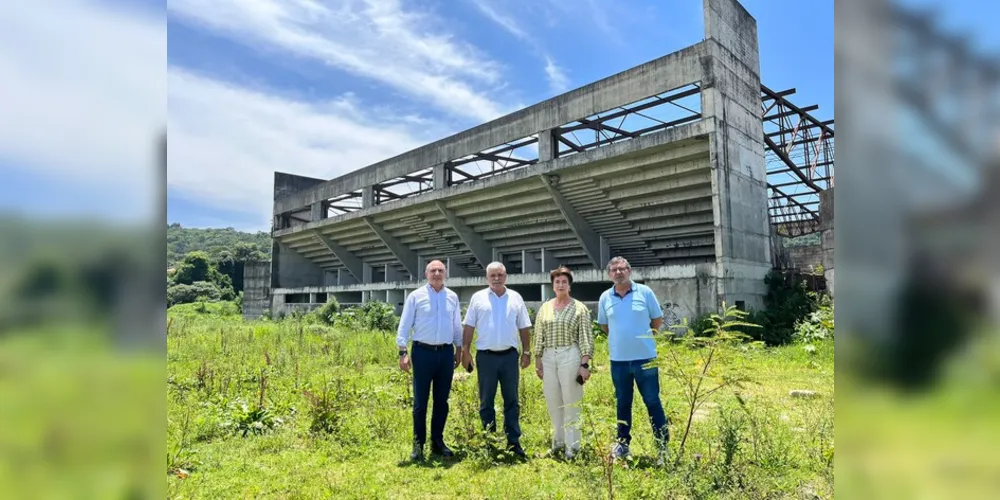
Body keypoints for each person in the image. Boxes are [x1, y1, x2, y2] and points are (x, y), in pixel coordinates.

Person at [597, 256, 669, 463]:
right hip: (618, 361)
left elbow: (657, 319)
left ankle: (662, 448)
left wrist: (645, 339)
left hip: (645, 359)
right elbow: (604, 325)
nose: (618, 272)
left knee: (653, 401)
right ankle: (622, 445)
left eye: (622, 269)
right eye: (614, 270)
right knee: (623, 403)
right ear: (609, 274)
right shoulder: (605, 297)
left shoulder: (644, 293)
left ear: (629, 271)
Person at [461, 261, 532, 459]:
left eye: (500, 274)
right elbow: (468, 326)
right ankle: (489, 441)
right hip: (486, 357)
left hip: (509, 357)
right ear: (487, 277)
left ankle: (513, 442)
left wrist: (527, 352)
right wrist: (465, 351)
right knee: (486, 401)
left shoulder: (515, 298)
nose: (496, 278)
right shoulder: (478, 298)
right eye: (492, 275)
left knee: (512, 400)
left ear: (506, 276)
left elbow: (524, 326)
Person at [396, 259, 463, 461]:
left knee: (441, 401)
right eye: (433, 270)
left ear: (445, 274)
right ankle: (418, 445)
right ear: (426, 274)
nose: (436, 273)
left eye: (440, 270)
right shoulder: (416, 296)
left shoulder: (452, 297)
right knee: (420, 402)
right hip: (422, 353)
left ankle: (437, 442)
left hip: (445, 353)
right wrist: (402, 351)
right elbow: (405, 324)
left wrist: (459, 349)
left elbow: (457, 325)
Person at [533, 265, 594, 459]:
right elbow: (539, 335)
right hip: (549, 357)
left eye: (564, 282)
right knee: (553, 401)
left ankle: (573, 448)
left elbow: (585, 337)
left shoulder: (579, 308)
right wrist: (538, 360)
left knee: (571, 401)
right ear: (552, 285)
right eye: (557, 282)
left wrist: (584, 364)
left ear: (569, 286)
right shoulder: (545, 307)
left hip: (570, 354)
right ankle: (558, 444)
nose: (560, 285)